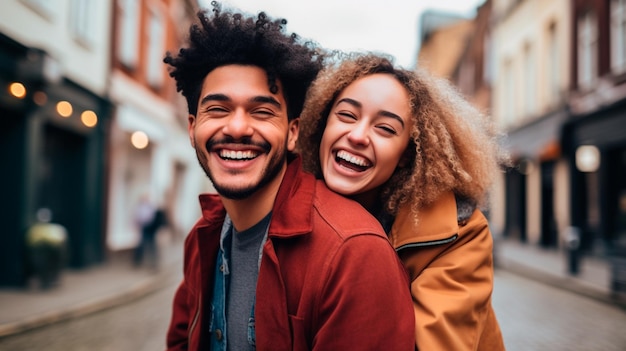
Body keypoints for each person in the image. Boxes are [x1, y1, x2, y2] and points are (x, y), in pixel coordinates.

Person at [163, 4, 415, 350]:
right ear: (193, 129)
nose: (237, 127)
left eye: (262, 111)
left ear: (293, 132)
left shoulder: (354, 252)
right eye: (218, 109)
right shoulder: (202, 237)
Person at [297, 52, 509, 350]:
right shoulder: (290, 206)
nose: (358, 135)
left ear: (406, 155)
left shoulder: (460, 232)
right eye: (346, 115)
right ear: (321, 124)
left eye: (385, 129)